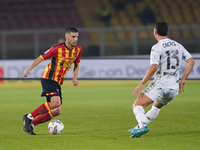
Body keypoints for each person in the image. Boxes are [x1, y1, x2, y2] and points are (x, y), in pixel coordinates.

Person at [128, 21, 195, 138]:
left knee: (137, 105)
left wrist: (141, 84)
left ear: (155, 32)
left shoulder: (156, 47)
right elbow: (191, 61)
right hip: (173, 87)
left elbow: (153, 67)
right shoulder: (178, 45)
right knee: (156, 106)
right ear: (166, 32)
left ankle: (142, 125)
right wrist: (183, 79)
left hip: (161, 83)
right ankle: (138, 127)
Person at [22, 27, 82, 135]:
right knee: (56, 102)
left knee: (56, 111)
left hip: (58, 81)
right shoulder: (57, 48)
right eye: (73, 37)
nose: (75, 39)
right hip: (49, 78)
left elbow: (76, 65)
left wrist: (74, 78)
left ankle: (30, 125)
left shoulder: (78, 50)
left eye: (77, 37)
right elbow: (41, 58)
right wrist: (29, 70)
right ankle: (28, 117)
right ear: (66, 37)